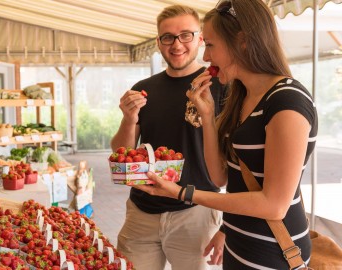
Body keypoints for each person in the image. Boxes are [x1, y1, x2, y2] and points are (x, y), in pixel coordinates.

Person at [135, 0, 318, 269]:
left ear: (242, 42)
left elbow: (274, 205)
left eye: (209, 45)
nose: (205, 57)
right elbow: (220, 176)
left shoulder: (287, 101)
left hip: (274, 254)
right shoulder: (242, 95)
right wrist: (207, 116)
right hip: (239, 247)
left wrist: (182, 193)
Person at [110, 4, 226, 270]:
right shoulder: (144, 89)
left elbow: (237, 162)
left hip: (196, 211)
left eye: (186, 35)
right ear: (158, 42)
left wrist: (227, 227)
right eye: (168, 37)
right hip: (142, 211)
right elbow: (121, 154)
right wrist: (129, 119)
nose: (177, 45)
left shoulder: (218, 86)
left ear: (200, 38)